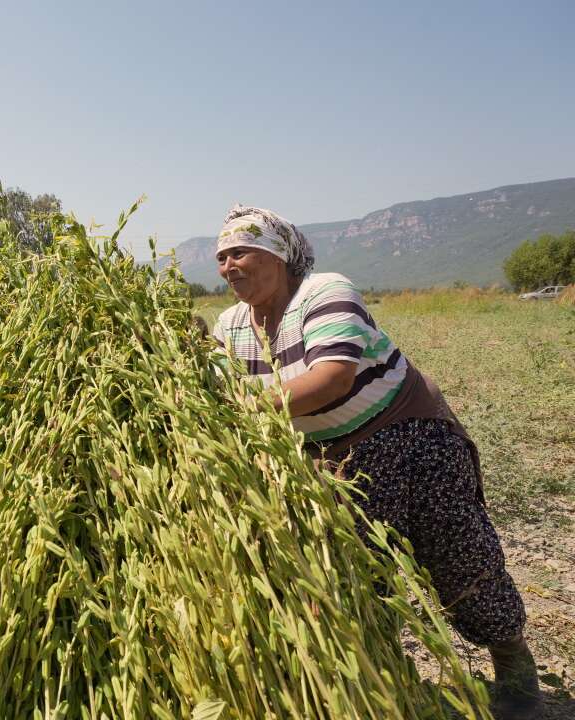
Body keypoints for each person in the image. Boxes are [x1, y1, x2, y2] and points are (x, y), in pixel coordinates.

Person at [209, 204, 540, 718]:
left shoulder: (323, 292)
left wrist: (244, 406)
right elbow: (209, 392)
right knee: (360, 578)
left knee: (458, 558)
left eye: (242, 251)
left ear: (278, 255)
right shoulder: (229, 326)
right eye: (222, 256)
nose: (230, 265)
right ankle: (382, 687)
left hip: (410, 439)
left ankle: (515, 670)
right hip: (330, 461)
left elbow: (333, 378)